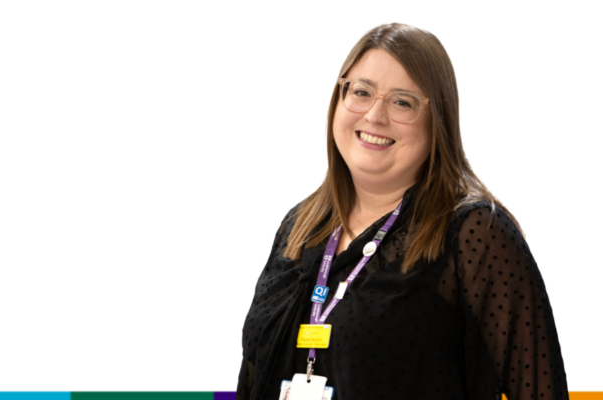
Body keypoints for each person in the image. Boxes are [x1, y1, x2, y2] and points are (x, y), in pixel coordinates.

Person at [236, 23, 569, 400]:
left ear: (437, 121)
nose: (375, 115)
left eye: (402, 102)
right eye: (361, 92)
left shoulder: (475, 233)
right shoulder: (299, 226)